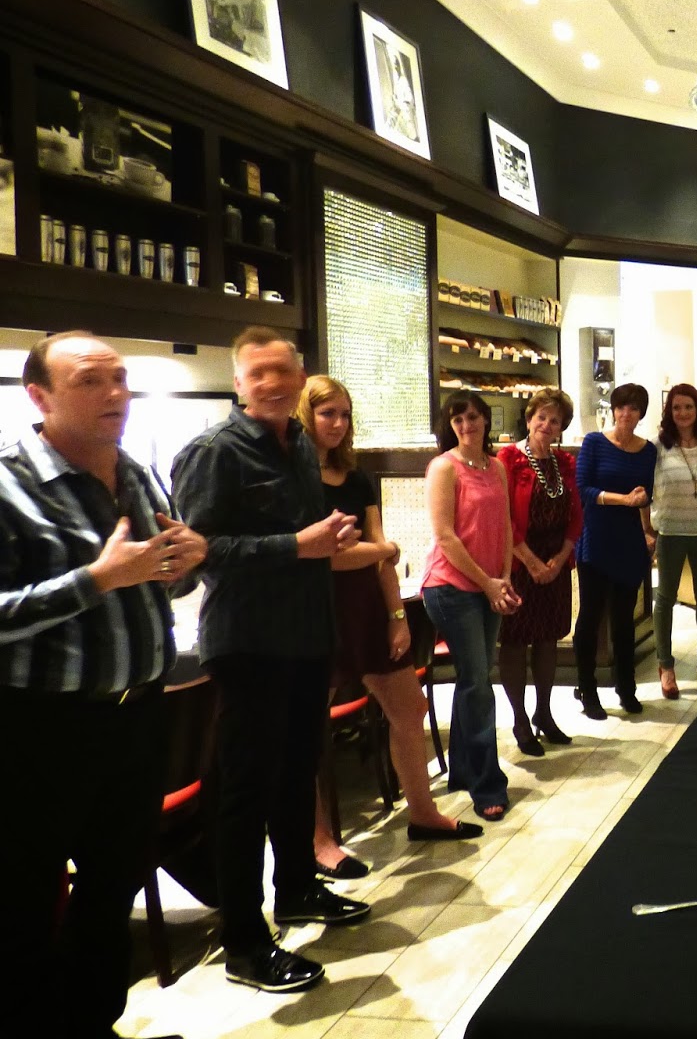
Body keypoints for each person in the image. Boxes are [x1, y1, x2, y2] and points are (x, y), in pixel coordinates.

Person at [1, 332, 205, 1039]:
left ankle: (93, 1034)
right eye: (91, 381)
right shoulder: (9, 486)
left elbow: (159, 582)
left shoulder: (137, 474)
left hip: (136, 718)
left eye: (120, 378)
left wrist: (187, 563)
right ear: (39, 396)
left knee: (112, 884)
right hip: (41, 727)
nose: (115, 393)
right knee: (24, 901)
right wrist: (95, 580)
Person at [172, 326, 369, 995]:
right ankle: (244, 943)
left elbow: (306, 541)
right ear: (239, 383)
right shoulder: (213, 452)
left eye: (282, 371)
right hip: (249, 642)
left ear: (299, 376)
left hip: (306, 636)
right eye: (258, 374)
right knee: (245, 793)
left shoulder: (303, 445)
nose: (273, 384)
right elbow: (195, 552)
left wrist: (326, 539)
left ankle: (298, 891)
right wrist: (296, 545)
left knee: (295, 774)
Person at [297, 375, 480, 875]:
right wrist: (382, 548)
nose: (338, 423)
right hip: (316, 610)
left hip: (367, 606)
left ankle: (422, 812)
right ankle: (319, 840)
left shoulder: (356, 479)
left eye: (344, 414)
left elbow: (375, 556)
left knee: (409, 706)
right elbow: (328, 557)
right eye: (327, 413)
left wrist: (397, 616)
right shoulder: (297, 480)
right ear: (305, 415)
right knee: (309, 732)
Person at [420, 390, 519, 823]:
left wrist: (505, 578)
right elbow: (446, 536)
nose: (466, 425)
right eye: (458, 419)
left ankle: (463, 769)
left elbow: (505, 526)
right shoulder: (444, 467)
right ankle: (487, 783)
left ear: (486, 420)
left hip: (488, 586)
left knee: (472, 679)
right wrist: (487, 583)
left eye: (473, 417)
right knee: (478, 682)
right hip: (450, 587)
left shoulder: (496, 467)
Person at [496, 388, 582, 755]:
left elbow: (576, 515)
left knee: (548, 639)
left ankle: (543, 713)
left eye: (555, 420)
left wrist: (560, 559)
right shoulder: (508, 458)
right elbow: (503, 516)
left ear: (562, 427)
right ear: (529, 419)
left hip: (555, 563)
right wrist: (531, 562)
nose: (547, 425)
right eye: (541, 417)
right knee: (515, 641)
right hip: (519, 563)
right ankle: (519, 720)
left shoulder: (565, 462)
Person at [574, 383, 657, 719]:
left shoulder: (648, 451)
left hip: (629, 541)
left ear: (641, 414)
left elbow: (647, 493)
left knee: (624, 620)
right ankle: (587, 688)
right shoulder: (594, 442)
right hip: (595, 538)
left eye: (633, 408)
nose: (626, 413)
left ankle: (626, 686)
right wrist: (623, 499)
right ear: (613, 410)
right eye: (621, 407)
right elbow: (583, 489)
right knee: (591, 616)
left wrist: (647, 520)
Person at [649, 383, 697, 699]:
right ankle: (665, 666)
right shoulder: (658, 445)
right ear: (669, 412)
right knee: (665, 599)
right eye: (677, 407)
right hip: (669, 532)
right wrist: (648, 530)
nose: (683, 413)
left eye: (689, 407)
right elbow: (646, 490)